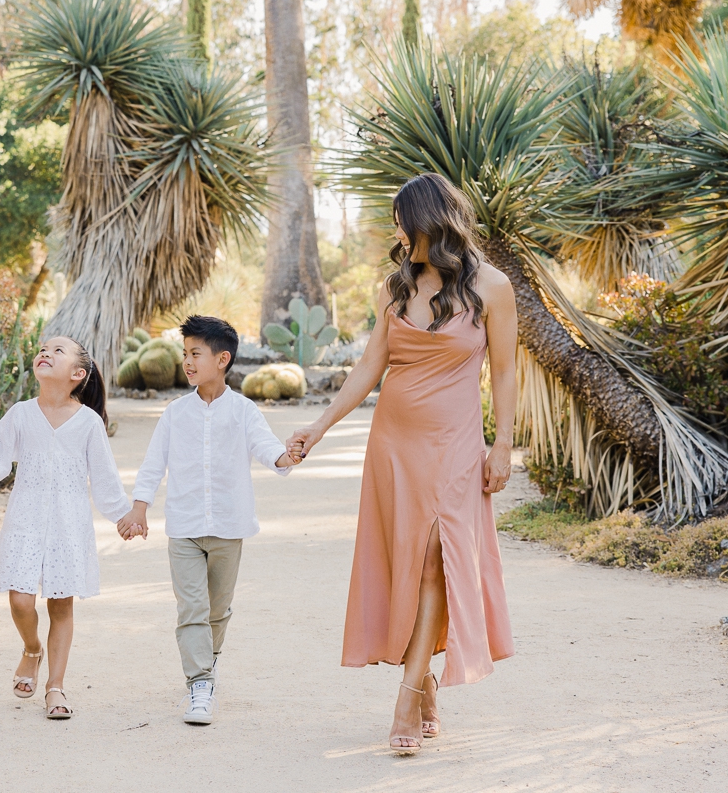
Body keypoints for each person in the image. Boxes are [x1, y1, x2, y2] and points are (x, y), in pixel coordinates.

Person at [287, 172, 518, 756]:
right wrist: (318, 427)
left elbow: (508, 373)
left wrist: (502, 445)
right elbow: (369, 368)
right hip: (394, 446)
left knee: (439, 564)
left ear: (430, 223)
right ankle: (426, 691)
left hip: (457, 448)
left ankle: (406, 699)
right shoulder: (396, 288)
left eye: (402, 221)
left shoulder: (492, 286)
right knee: (411, 568)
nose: (397, 231)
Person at [116, 315, 301, 726]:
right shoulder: (174, 413)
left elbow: (267, 448)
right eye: (184, 354)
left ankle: (207, 663)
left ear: (222, 359)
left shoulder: (244, 410)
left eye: (195, 354)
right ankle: (200, 683)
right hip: (183, 528)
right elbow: (153, 465)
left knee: (218, 610)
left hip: (229, 528)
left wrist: (289, 456)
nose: (186, 362)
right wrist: (140, 507)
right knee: (193, 609)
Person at [0, 336, 141, 720]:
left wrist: (124, 515)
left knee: (61, 605)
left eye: (58, 350)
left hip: (68, 527)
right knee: (20, 600)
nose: (45, 353)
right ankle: (31, 649)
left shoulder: (89, 423)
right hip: (25, 521)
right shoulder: (21, 414)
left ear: (78, 374)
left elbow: (104, 480)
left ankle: (55, 687)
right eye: (43, 348)